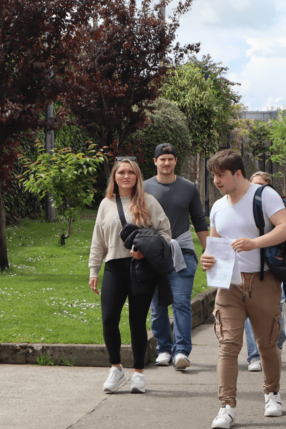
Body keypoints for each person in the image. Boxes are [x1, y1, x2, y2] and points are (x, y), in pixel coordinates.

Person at [200, 150, 286, 428]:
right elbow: (215, 247)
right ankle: (226, 406)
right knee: (228, 346)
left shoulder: (264, 195)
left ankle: (272, 393)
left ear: (237, 174)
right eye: (214, 175)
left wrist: (255, 243)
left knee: (267, 345)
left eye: (221, 175)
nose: (216, 180)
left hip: (263, 281)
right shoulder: (218, 207)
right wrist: (208, 259)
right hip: (229, 285)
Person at [88, 157, 172, 394]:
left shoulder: (149, 201)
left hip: (141, 269)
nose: (126, 176)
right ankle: (116, 368)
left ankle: (138, 373)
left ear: (137, 177)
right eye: (121, 172)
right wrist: (94, 270)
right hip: (114, 266)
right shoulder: (106, 203)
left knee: (137, 321)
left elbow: (165, 233)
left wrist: (146, 252)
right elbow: (98, 240)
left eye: (131, 173)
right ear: (114, 177)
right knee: (109, 319)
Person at [145, 143, 208, 370]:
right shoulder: (144, 188)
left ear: (175, 161)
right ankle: (163, 348)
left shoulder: (188, 187)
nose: (167, 163)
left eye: (170, 159)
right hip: (153, 254)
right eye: (162, 159)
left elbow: (199, 219)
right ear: (155, 162)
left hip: (182, 252)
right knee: (157, 305)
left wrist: (206, 248)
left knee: (181, 303)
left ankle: (181, 350)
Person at [244, 171, 286, 373]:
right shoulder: (242, 206)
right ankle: (254, 355)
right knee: (248, 313)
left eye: (261, 186)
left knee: (276, 314)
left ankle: (274, 343)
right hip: (248, 271)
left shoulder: (276, 208)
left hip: (273, 268)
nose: (257, 190)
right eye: (254, 186)